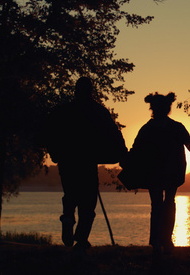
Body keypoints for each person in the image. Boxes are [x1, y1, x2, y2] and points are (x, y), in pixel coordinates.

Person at [45, 77, 126, 255]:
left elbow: (47, 132)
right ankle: (81, 240)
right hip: (87, 162)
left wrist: (55, 153)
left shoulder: (63, 111)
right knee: (88, 202)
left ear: (76, 91)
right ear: (91, 91)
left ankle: (67, 218)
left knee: (70, 194)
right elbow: (114, 133)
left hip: (67, 162)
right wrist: (122, 153)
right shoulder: (98, 111)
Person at [126, 92, 190, 257]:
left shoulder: (147, 129)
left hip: (156, 173)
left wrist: (126, 163)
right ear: (167, 109)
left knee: (157, 205)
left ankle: (158, 242)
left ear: (153, 109)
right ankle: (165, 240)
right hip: (171, 172)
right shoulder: (175, 127)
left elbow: (135, 151)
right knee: (168, 203)